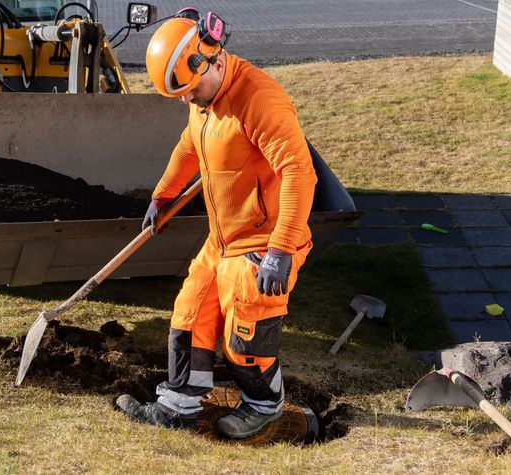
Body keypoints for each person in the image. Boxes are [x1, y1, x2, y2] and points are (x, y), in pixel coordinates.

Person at [115, 8, 317, 440]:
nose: (187, 99)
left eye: (190, 89)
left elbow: (300, 172)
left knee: (244, 338)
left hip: (265, 242)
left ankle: (265, 407)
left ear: (211, 57)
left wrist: (280, 249)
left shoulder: (259, 99)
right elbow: (191, 145)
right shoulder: (205, 99)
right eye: (181, 95)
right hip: (223, 240)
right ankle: (179, 406)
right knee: (190, 313)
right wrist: (163, 193)